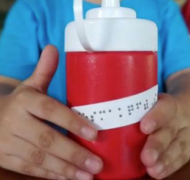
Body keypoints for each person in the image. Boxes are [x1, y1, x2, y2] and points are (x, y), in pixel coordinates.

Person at [0, 0, 190, 180]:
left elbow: (185, 75)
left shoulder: (162, 7)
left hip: (145, 162)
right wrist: (4, 112)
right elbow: (4, 83)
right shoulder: (33, 8)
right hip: (51, 165)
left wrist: (184, 106)